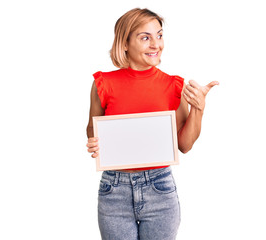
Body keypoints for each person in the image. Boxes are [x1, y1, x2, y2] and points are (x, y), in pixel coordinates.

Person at [86, 8, 219, 240]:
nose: (156, 44)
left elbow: (185, 145)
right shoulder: (103, 84)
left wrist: (199, 108)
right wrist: (94, 141)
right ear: (124, 43)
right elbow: (92, 127)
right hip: (114, 189)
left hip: (160, 187)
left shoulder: (174, 86)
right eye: (145, 38)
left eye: (159, 35)